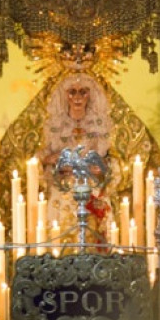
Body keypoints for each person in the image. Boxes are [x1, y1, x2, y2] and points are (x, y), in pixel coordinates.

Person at [38, 73, 116, 239]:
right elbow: (40, 159)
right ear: (64, 95)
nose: (77, 98)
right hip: (62, 188)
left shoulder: (100, 126)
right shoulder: (54, 126)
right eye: (72, 92)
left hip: (91, 187)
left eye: (83, 92)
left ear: (91, 95)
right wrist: (50, 160)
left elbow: (112, 162)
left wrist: (102, 166)